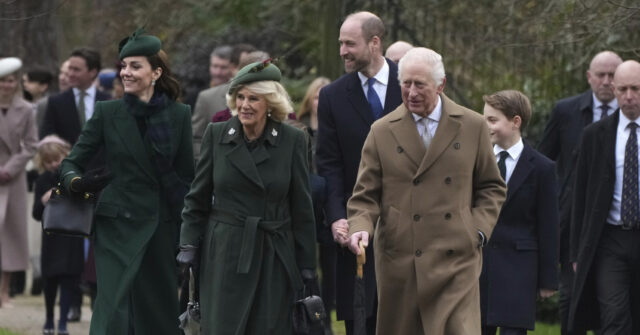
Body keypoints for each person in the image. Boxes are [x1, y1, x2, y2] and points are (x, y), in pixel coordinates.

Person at [347, 47, 506, 334]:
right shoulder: (382, 130)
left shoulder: (472, 126)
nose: (411, 92)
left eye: (420, 84)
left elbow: (491, 186)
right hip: (402, 260)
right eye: (405, 84)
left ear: (441, 85)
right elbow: (365, 194)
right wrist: (360, 225)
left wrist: (477, 230)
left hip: (456, 258)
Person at [59, 29, 194, 334]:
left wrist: (190, 230)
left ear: (156, 72)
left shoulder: (179, 115)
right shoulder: (108, 112)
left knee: (157, 308)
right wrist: (77, 182)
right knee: (114, 305)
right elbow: (71, 162)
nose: (126, 73)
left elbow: (187, 178)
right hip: (116, 224)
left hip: (161, 224)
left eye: (135, 66)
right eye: (123, 66)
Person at [177, 60, 317, 334]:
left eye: (254, 98)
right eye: (239, 97)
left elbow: (302, 207)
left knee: (269, 326)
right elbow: (197, 197)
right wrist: (188, 244)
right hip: (225, 251)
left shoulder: (292, 140)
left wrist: (307, 264)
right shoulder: (216, 135)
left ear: (270, 103)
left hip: (273, 253)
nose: (244, 105)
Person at [315, 11, 402, 335]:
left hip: (406, 228)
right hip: (355, 229)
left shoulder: (409, 86)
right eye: (340, 43)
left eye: (349, 43)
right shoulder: (333, 96)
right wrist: (338, 216)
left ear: (375, 43)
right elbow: (329, 164)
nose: (342, 51)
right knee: (358, 321)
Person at [537, 50, 622, 335]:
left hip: (615, 222)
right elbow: (543, 161)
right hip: (573, 219)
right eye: (601, 75)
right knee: (572, 296)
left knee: (612, 299)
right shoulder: (566, 111)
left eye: (613, 76)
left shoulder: (630, 117)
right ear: (589, 77)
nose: (607, 82)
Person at [569, 60, 640, 334]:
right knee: (614, 316)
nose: (629, 96)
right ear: (614, 89)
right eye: (623, 89)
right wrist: (576, 251)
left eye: (635, 88)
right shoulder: (595, 135)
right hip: (609, 240)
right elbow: (581, 196)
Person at [480, 90, 559, 334]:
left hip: (519, 268)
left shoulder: (543, 168)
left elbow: (548, 225)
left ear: (516, 122)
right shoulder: (478, 161)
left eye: (492, 120)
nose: (486, 126)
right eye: (484, 120)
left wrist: (548, 280)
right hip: (479, 266)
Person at [32, 135, 83, 335]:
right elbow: (36, 214)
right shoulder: (43, 180)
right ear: (43, 162)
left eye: (57, 159)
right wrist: (44, 199)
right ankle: (49, 319)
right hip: (51, 237)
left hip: (71, 237)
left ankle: (63, 322)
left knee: (69, 281)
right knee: (50, 281)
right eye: (49, 161)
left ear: (66, 155)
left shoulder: (75, 176)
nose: (54, 164)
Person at [0, 57, 38, 308]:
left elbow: (31, 144)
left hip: (12, 179)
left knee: (12, 236)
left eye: (11, 80)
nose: (6, 85)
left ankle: (4, 292)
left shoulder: (26, 109)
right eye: (2, 80)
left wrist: (10, 169)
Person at [191, 44, 256, 160]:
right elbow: (196, 138)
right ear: (233, 68)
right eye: (243, 66)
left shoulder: (272, 100)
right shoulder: (207, 98)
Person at [40, 48, 111, 143]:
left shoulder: (108, 101)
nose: (70, 74)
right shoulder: (56, 102)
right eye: (70, 68)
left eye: (76, 70)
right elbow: (46, 137)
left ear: (92, 72)